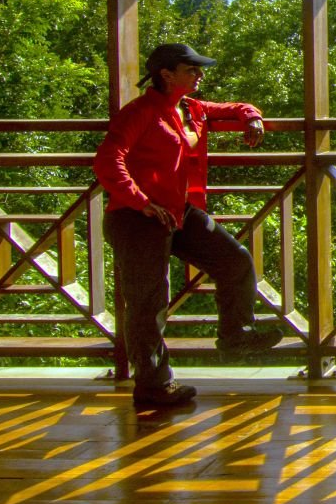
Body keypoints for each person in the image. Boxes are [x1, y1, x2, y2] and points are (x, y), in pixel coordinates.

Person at [94, 43, 282, 408]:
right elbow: (107, 162)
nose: (200, 75)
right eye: (192, 70)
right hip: (137, 217)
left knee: (235, 261)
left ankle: (236, 337)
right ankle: (152, 386)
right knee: (148, 302)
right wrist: (141, 201)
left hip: (179, 212)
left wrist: (252, 116)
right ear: (166, 75)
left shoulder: (191, 108)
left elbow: (233, 107)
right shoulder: (142, 111)